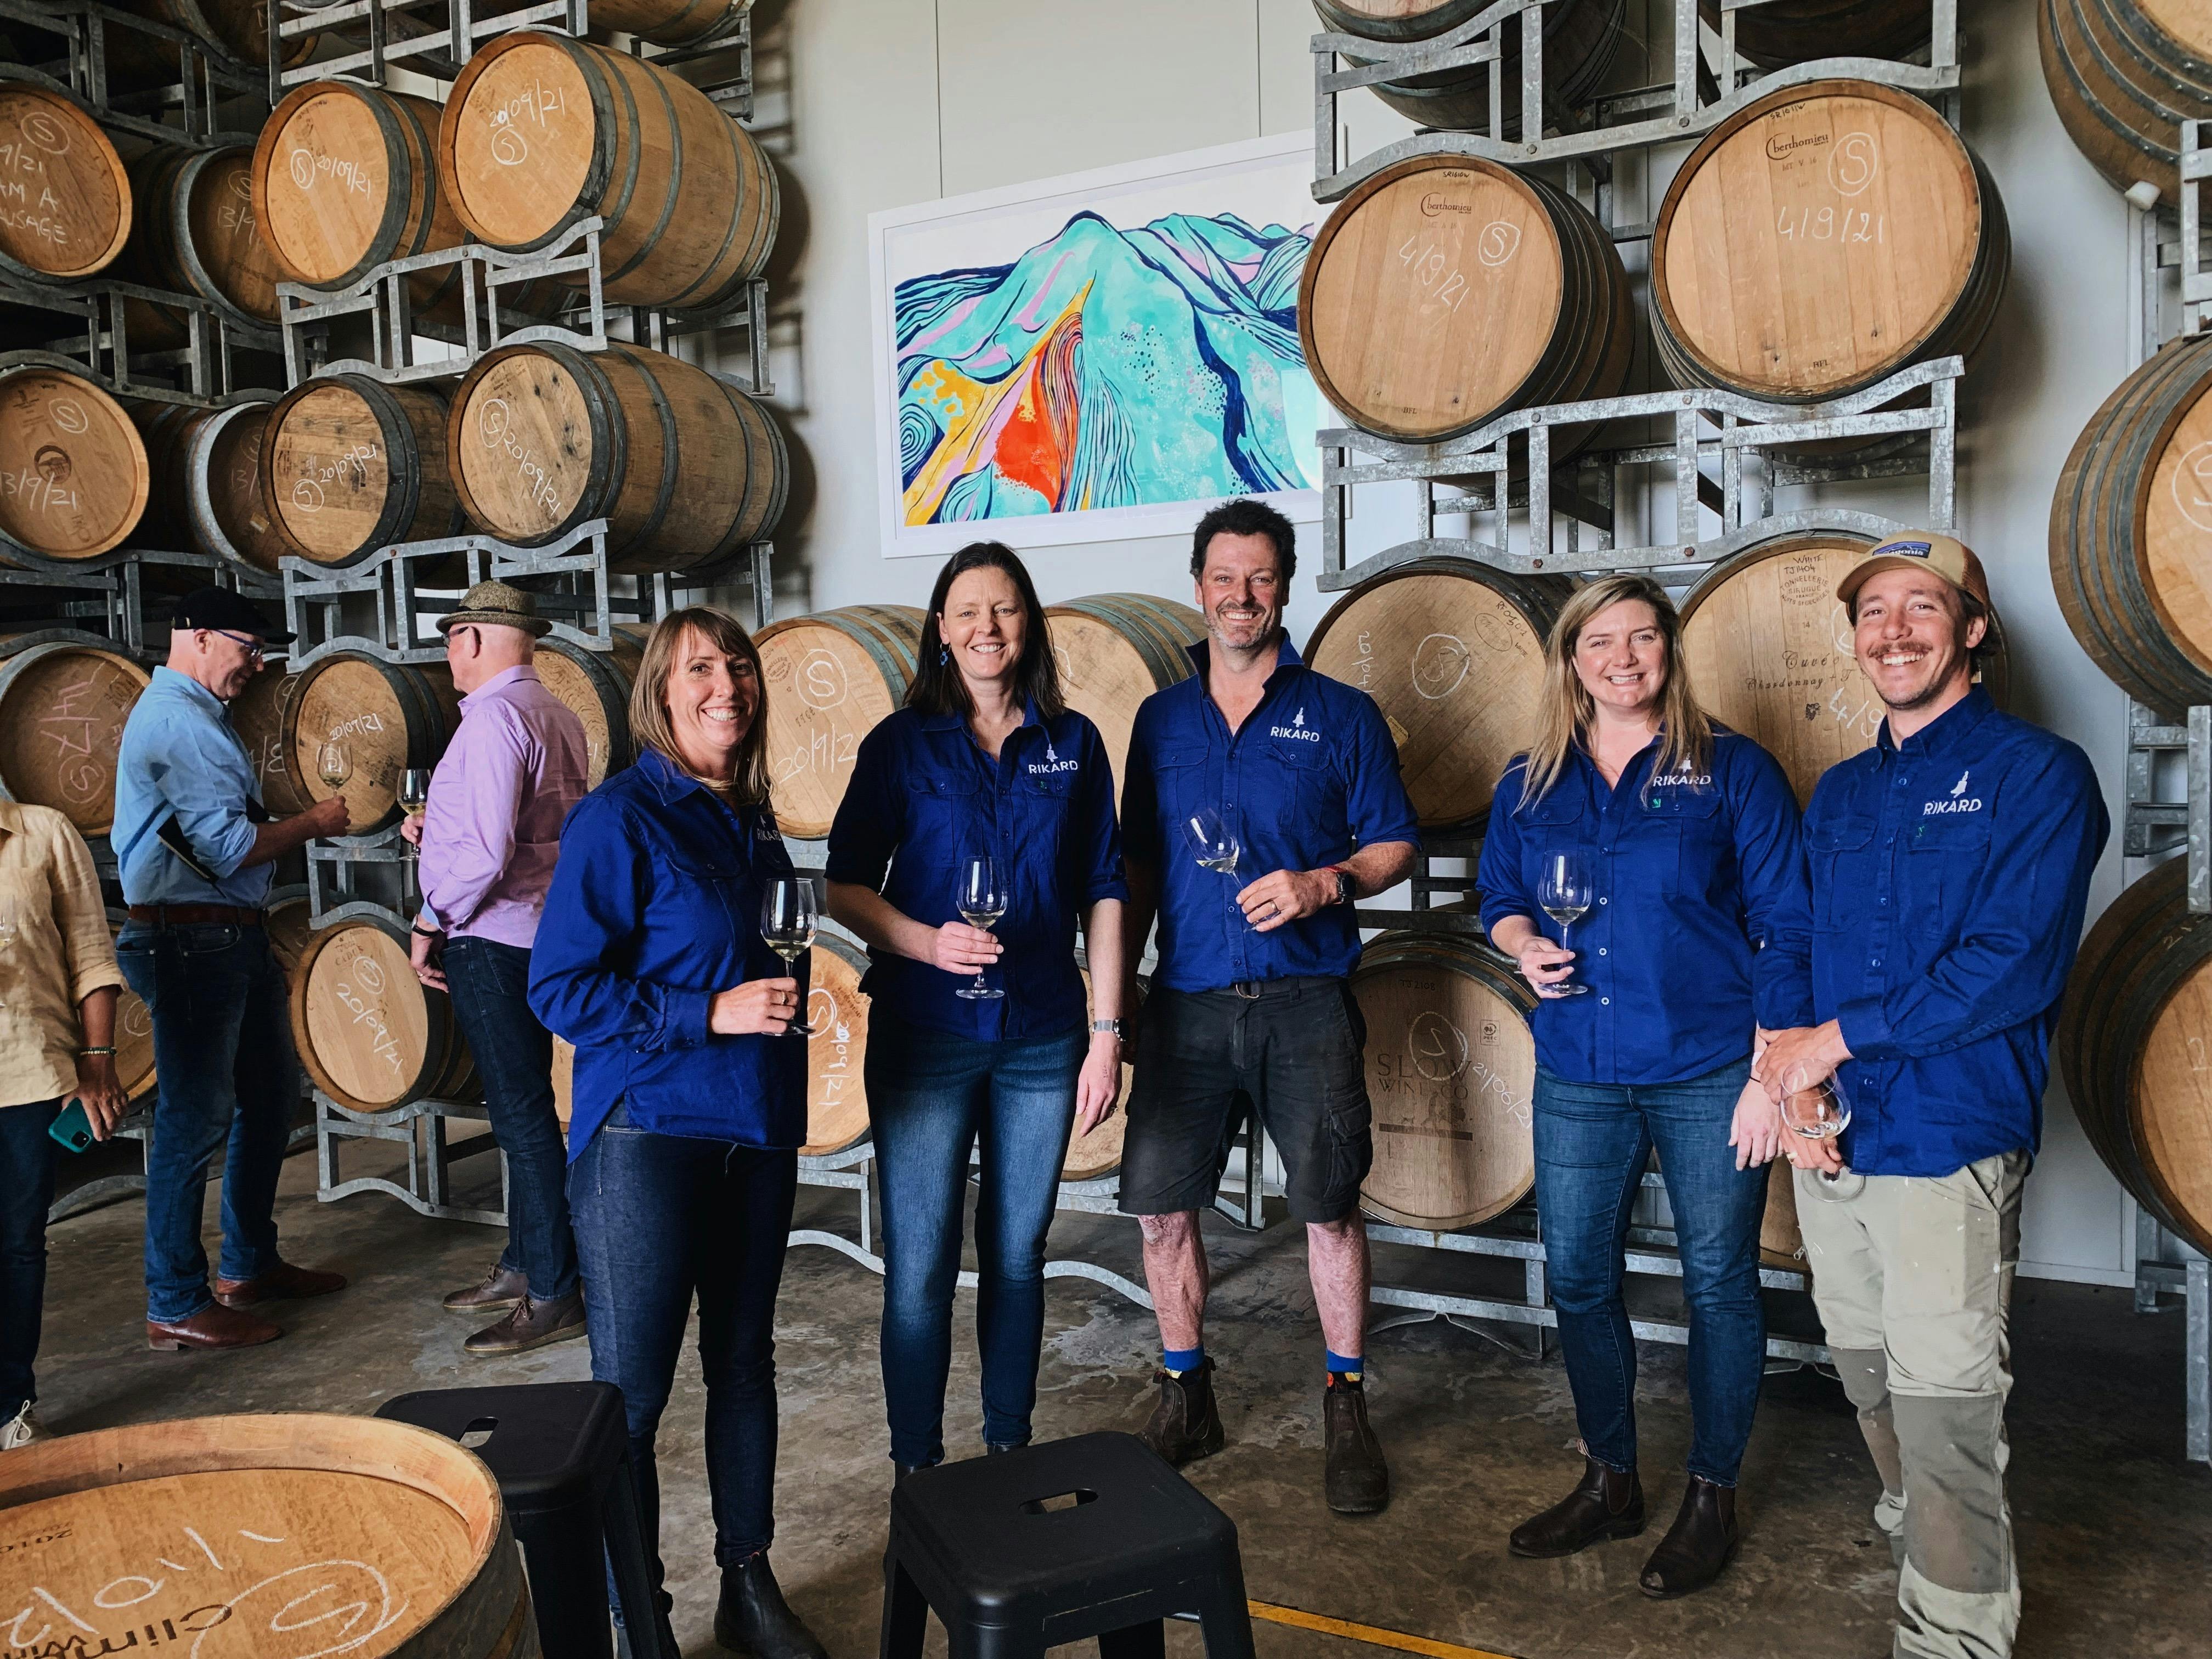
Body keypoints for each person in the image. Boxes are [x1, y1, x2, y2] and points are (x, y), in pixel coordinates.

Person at [1756, 533, 2107, 1659]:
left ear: (1972, 631)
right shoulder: (1845, 789)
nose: (1893, 629)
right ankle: (1927, 1531)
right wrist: (1796, 1083)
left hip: (1948, 1130)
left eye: (1922, 607)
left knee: (1947, 1401)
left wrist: (1830, 1046)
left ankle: (1954, 1634)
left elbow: (2011, 963)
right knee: (1862, 1364)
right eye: (1873, 612)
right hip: (1836, 1135)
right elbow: (1796, 936)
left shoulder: (2039, 775)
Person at [1476, 573, 1814, 1596]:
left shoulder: (1731, 770)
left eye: (1642, 638)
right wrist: (1522, 940)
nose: (1623, 659)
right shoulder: (1529, 781)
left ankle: (1710, 1490)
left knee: (1717, 1282)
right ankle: (1610, 1476)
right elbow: (1496, 895)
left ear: (1669, 648)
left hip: (1710, 1068)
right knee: (1578, 1277)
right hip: (1578, 1065)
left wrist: (1771, 1069)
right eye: (1600, 643)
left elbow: (1784, 924)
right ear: (1570, 661)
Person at [529, 607, 827, 1659]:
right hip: (645, 1135)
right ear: (661, 692)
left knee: (744, 1363)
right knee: (634, 1393)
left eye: (738, 664)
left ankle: (747, 1583)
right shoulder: (621, 817)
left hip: (751, 1129)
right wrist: (708, 1011)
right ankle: (637, 1613)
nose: (727, 684)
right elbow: (559, 984)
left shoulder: (749, 819)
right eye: (701, 668)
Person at [1115, 497, 1420, 1515]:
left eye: (1259, 577)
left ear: (1282, 586)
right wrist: (1112, 1013)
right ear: (1197, 587)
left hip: (1305, 998)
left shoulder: (1340, 711)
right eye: (1222, 576)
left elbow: (1392, 843)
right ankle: (1185, 1387)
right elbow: (1139, 870)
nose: (1240, 595)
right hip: (1190, 1001)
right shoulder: (1159, 721)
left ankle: (1344, 1399)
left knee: (1327, 1208)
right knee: (1162, 1207)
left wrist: (1323, 882)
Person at [825, 542, 1128, 1478]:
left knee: (1015, 1254)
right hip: (924, 1032)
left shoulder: (1072, 743)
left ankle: (1006, 1450)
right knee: (917, 1269)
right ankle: (917, 1467)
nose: (986, 627)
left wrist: (1108, 1034)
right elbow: (842, 884)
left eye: (1003, 609)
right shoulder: (899, 743)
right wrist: (924, 940)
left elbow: (1105, 890)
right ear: (941, 630)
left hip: (1042, 1031)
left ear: (1026, 623)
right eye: (966, 610)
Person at [112, 588, 351, 1351]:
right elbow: (223, 851)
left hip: (222, 934)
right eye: (248, 646)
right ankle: (175, 1298)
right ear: (201, 636)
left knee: (270, 1095)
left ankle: (247, 1264)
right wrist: (314, 823)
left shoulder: (196, 715)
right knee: (195, 1117)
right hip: (190, 940)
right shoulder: (181, 721)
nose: (257, 662)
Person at [404, 582, 590, 1355]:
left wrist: (428, 917)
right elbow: (538, 833)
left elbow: (485, 853)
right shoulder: (559, 714)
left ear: (478, 638)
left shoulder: (489, 721)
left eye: (453, 636)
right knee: (526, 1113)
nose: (448, 652)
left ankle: (553, 1292)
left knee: (520, 1118)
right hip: (545, 932)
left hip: (488, 935)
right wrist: (435, 828)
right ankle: (524, 1263)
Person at [0, 803, 129, 1448]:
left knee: (18, 1244)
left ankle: (11, 1407)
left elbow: (90, 954)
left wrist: (99, 1061)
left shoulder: (42, 832)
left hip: (25, 1073)